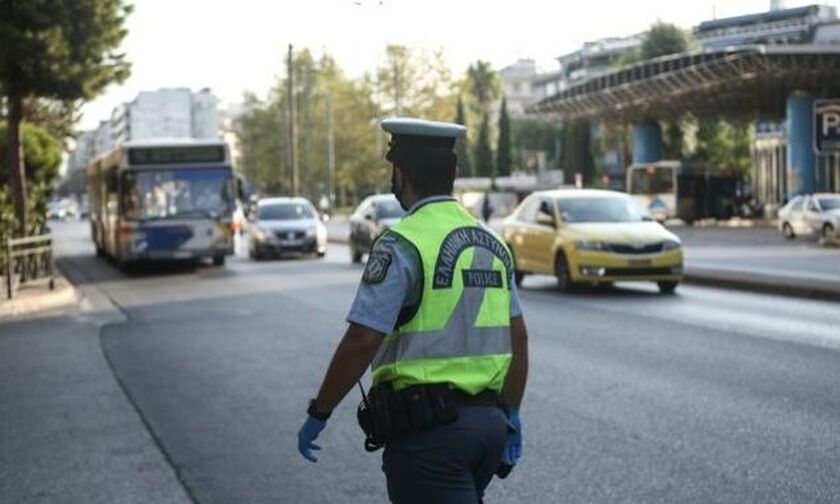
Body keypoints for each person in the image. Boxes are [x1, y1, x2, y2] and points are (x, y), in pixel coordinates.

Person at [297, 117, 530, 503]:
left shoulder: (401, 244)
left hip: (431, 437)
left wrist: (319, 412)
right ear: (454, 173)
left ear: (399, 175)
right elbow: (518, 337)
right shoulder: (492, 243)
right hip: (489, 427)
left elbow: (362, 340)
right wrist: (513, 411)